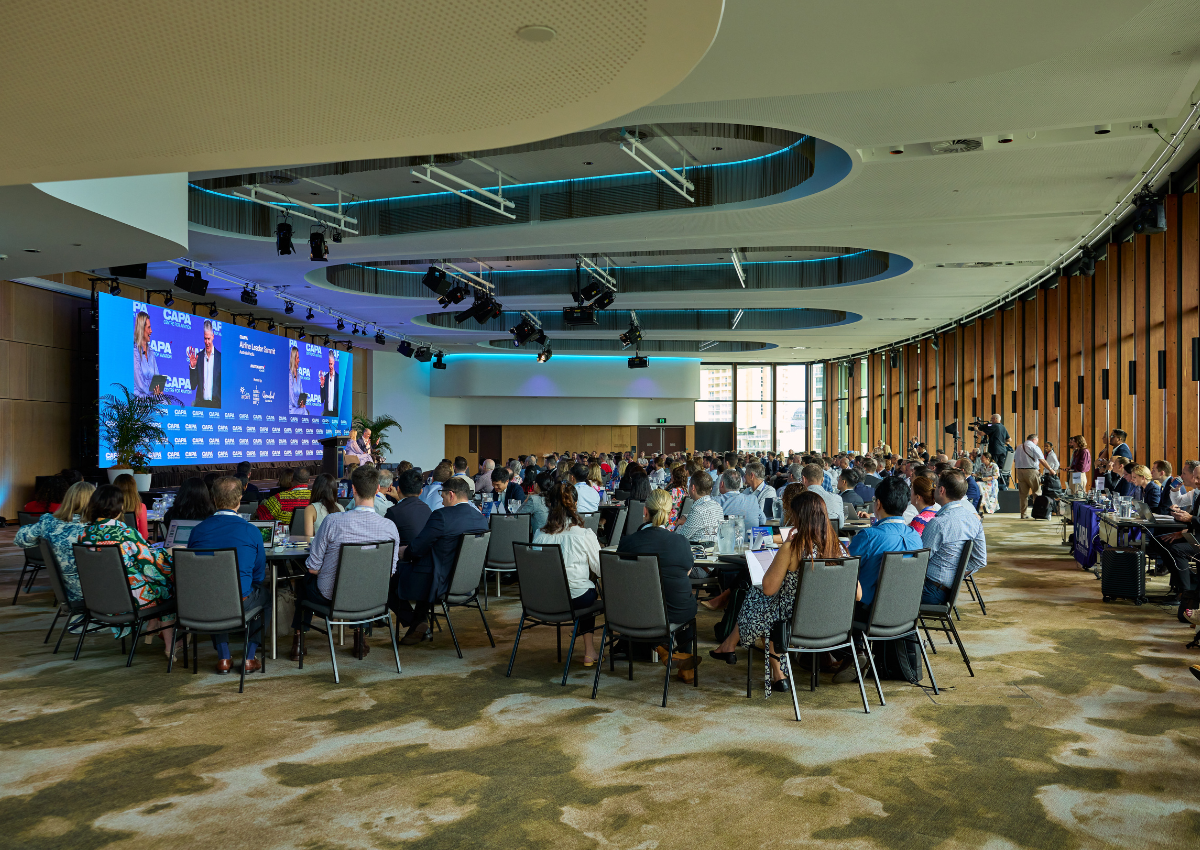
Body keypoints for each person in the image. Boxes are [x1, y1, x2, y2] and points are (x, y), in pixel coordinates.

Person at [710, 491, 850, 695]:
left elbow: (768, 587)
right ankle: (735, 649)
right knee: (770, 604)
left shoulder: (792, 548)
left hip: (794, 623)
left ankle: (775, 672)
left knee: (761, 597)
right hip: (833, 623)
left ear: (798, 517)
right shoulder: (839, 549)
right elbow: (857, 595)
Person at [289, 465, 400, 661]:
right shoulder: (390, 527)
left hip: (331, 597)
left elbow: (313, 567)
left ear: (353, 490)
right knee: (363, 582)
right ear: (377, 490)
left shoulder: (333, 522)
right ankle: (359, 638)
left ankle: (299, 640)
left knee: (305, 581)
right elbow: (389, 573)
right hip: (373, 598)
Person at [79, 484, 176, 657]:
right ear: (119, 506)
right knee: (167, 588)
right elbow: (150, 566)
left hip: (97, 597)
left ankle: (152, 624)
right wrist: (169, 556)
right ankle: (170, 646)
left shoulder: (84, 534)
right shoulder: (125, 532)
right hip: (129, 600)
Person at [389, 475, 486, 644]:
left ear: (451, 494)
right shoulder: (481, 518)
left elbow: (416, 549)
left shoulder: (442, 516)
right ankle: (419, 625)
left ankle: (416, 623)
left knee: (387, 580)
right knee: (426, 569)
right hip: (467, 582)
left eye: (442, 497)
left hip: (439, 582)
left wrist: (402, 551)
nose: (441, 502)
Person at [617, 489, 701, 679]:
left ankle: (663, 648)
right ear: (671, 513)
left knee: (649, 600)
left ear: (645, 511)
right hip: (674, 611)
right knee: (685, 605)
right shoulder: (680, 542)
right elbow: (686, 572)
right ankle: (684, 663)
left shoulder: (627, 543)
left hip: (633, 613)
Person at [187, 476, 268, 674]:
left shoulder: (197, 531)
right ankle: (249, 657)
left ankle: (224, 657)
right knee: (264, 594)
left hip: (205, 600)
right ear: (240, 499)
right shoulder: (251, 531)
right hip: (240, 599)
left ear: (213, 499)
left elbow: (194, 570)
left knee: (215, 591)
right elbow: (258, 574)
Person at [532, 483, 602, 666]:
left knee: (583, 589)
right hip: (574, 601)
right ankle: (589, 651)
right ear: (576, 505)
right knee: (590, 591)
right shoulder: (584, 534)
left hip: (541, 601)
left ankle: (589, 650)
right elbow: (601, 569)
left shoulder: (539, 535)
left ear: (549, 505)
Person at [848, 476, 924, 613]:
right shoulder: (915, 536)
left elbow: (845, 570)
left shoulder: (868, 536)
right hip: (905, 612)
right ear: (905, 506)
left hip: (866, 610)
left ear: (878, 504)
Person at [15, 480, 95, 603]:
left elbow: (21, 539)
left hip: (64, 592)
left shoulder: (49, 522)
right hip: (94, 593)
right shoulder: (97, 529)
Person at [920, 470, 987, 605]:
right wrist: (955, 574)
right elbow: (980, 560)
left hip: (929, 591)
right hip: (948, 591)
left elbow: (919, 562)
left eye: (936, 486)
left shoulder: (938, 523)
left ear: (942, 490)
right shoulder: (974, 520)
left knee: (881, 589)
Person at [384, 468, 433, 548]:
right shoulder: (427, 510)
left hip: (402, 557)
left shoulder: (393, 512)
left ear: (398, 489)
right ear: (420, 492)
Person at [673, 471, 723, 544]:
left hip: (697, 550)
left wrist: (678, 525)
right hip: (712, 549)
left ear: (693, 487)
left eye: (689, 484)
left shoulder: (698, 510)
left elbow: (681, 537)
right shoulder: (717, 506)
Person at [1013, 434, 1051, 519]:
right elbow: (1042, 460)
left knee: (1023, 495)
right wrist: (1050, 469)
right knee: (1037, 493)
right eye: (1037, 440)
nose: (1037, 442)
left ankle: (1023, 514)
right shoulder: (1034, 447)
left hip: (1019, 472)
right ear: (1034, 439)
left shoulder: (1019, 447)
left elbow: (1015, 460)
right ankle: (1038, 514)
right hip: (1031, 471)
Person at [187, 319, 222, 408]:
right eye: (205, 339)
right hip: (200, 405)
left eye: (209, 339)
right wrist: (193, 367)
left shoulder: (220, 358)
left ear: (213, 336)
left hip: (216, 406)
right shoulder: (199, 357)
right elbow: (193, 386)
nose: (207, 342)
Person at [303, 472, 344, 537]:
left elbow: (309, 537)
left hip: (319, 546)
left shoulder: (311, 509)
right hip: (338, 546)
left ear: (316, 488)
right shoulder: (340, 507)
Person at [132, 310, 160, 397]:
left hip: (152, 397)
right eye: (149, 328)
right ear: (141, 329)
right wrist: (153, 393)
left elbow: (157, 378)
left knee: (166, 402)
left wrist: (158, 391)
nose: (151, 331)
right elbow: (139, 384)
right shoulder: (134, 351)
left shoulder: (151, 352)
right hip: (139, 398)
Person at [113, 473, 149, 539]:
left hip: (115, 544)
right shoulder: (140, 507)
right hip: (134, 545)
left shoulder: (110, 507)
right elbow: (144, 536)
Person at [666, 464, 690, 530]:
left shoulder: (673, 492)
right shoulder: (686, 491)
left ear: (674, 477)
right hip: (679, 521)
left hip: (670, 523)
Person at [287, 345, 309, 415]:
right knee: (304, 412)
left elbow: (301, 393)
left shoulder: (299, 375)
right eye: (297, 358)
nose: (299, 360)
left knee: (305, 411)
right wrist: (299, 405)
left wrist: (302, 403)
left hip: (298, 407)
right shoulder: (289, 375)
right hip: (291, 409)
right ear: (293, 359)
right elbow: (292, 397)